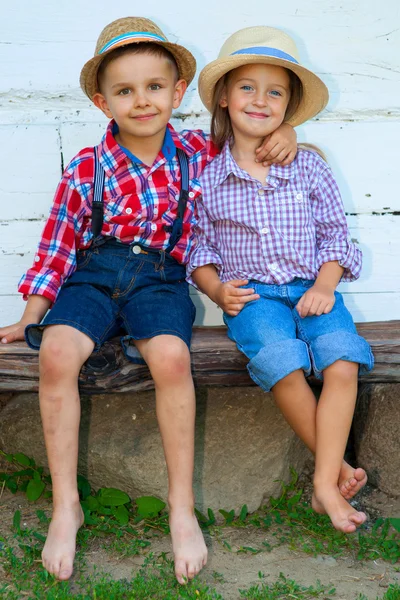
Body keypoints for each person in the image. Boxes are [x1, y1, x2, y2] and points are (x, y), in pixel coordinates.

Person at [0, 18, 297, 584]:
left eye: (155, 87)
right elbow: (58, 246)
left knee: (171, 358)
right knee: (57, 354)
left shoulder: (198, 153)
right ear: (101, 101)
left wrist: (289, 138)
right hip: (95, 274)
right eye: (125, 90)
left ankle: (181, 509)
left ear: (178, 91)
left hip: (162, 278)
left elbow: (254, 140)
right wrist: (31, 317)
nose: (142, 101)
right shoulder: (86, 169)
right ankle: (66, 506)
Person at [188, 25, 374, 534]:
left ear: (289, 107)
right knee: (283, 362)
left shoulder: (310, 166)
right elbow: (198, 247)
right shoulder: (207, 177)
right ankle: (332, 475)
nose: (260, 100)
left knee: (342, 358)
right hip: (253, 299)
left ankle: (321, 483)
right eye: (247, 86)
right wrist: (215, 290)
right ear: (224, 98)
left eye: (276, 92)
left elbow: (337, 236)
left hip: (314, 288)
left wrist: (326, 285)